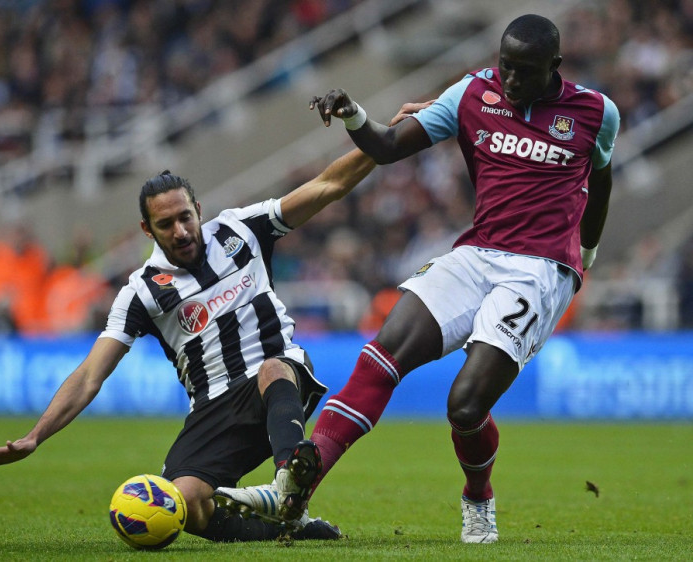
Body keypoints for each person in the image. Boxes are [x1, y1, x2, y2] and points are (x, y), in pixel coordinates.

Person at [214, 14, 620, 544]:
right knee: (382, 353)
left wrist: (585, 253)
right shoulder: (473, 93)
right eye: (506, 67)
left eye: (525, 71)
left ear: (555, 67)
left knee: (465, 406)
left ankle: (478, 498)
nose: (512, 80)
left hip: (541, 269)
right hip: (476, 254)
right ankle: (294, 491)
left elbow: (601, 180)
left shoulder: (596, 111)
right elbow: (385, 147)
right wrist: (354, 112)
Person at [0, 147, 386, 541]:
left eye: (185, 217)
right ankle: (288, 527)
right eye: (166, 224)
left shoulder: (242, 230)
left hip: (278, 383)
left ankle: (287, 483)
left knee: (272, 367)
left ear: (198, 210)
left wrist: (379, 138)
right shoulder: (142, 292)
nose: (181, 230)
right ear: (147, 229)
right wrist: (35, 436)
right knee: (183, 506)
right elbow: (88, 377)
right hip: (214, 407)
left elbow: (327, 185)